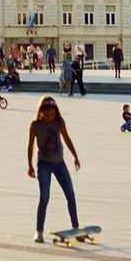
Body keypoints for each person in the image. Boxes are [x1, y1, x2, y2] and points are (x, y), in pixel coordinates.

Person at [26, 96, 82, 242]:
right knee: (44, 197)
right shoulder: (35, 125)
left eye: (53, 114)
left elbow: (67, 138)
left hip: (60, 164)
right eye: (48, 114)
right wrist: (30, 165)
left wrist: (75, 156)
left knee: (70, 194)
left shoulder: (59, 122)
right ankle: (39, 231)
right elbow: (30, 145)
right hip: (43, 164)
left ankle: (76, 227)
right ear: (41, 112)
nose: (51, 117)